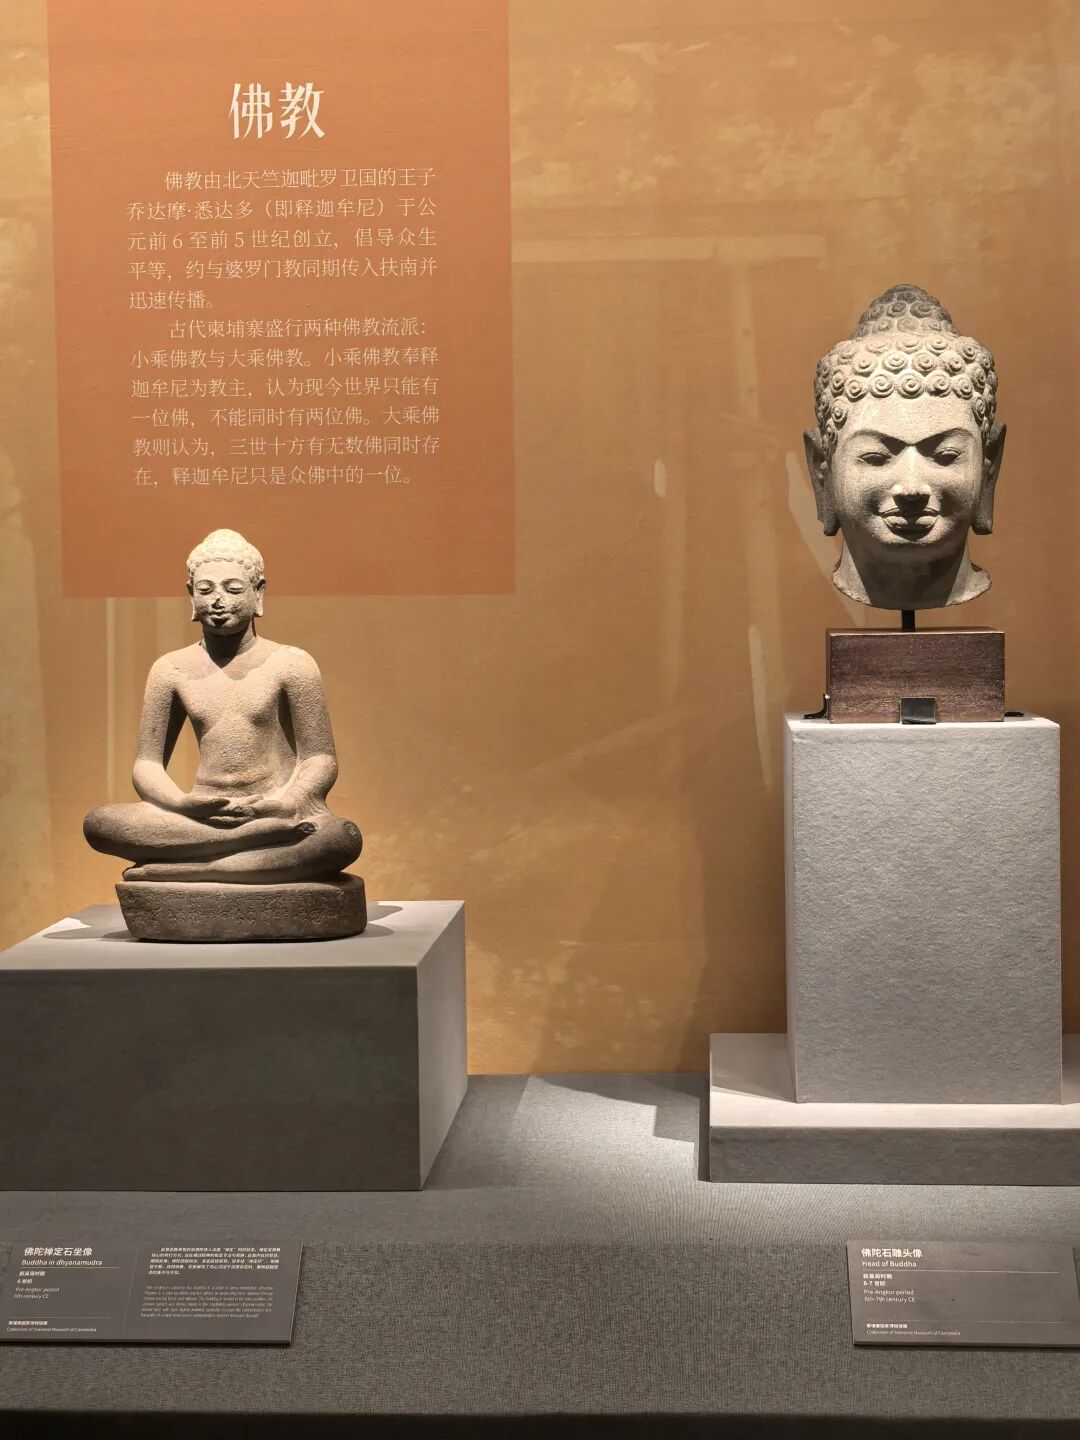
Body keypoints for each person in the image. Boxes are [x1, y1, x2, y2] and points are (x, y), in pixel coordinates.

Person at [84, 529, 361, 885]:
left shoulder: (292, 663)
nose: (218, 600)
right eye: (205, 590)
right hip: (200, 816)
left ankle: (197, 868)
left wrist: (286, 802)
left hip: (272, 809)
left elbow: (319, 758)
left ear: (258, 593)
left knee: (340, 839)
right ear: (191, 595)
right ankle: (249, 848)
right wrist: (181, 804)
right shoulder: (171, 669)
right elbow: (146, 765)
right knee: (99, 824)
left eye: (233, 589)